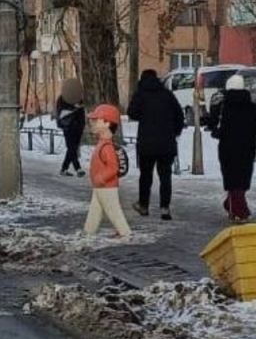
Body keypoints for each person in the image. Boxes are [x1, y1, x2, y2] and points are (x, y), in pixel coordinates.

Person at [210, 74, 256, 223]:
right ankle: (234, 206)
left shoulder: (223, 106)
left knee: (232, 180)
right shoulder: (251, 108)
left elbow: (214, 127)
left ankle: (240, 211)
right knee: (241, 180)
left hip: (227, 149)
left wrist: (216, 132)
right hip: (247, 149)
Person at [127, 69, 185, 221]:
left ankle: (143, 205)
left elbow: (132, 113)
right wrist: (176, 131)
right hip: (166, 143)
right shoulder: (167, 95)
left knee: (145, 176)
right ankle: (165, 208)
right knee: (165, 176)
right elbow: (179, 114)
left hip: (146, 144)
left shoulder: (140, 95)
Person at [83, 104, 132, 238]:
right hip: (100, 186)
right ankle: (88, 231)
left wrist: (102, 178)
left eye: (96, 120)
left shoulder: (107, 147)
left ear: (107, 123)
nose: (92, 123)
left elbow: (113, 168)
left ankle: (125, 233)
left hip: (106, 186)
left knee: (113, 210)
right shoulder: (103, 144)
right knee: (95, 210)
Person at [55, 78, 86, 177]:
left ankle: (64, 169)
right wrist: (74, 108)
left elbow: (82, 113)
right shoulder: (62, 99)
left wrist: (82, 125)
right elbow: (61, 113)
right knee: (71, 147)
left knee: (72, 148)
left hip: (78, 127)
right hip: (68, 127)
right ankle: (78, 168)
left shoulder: (79, 99)